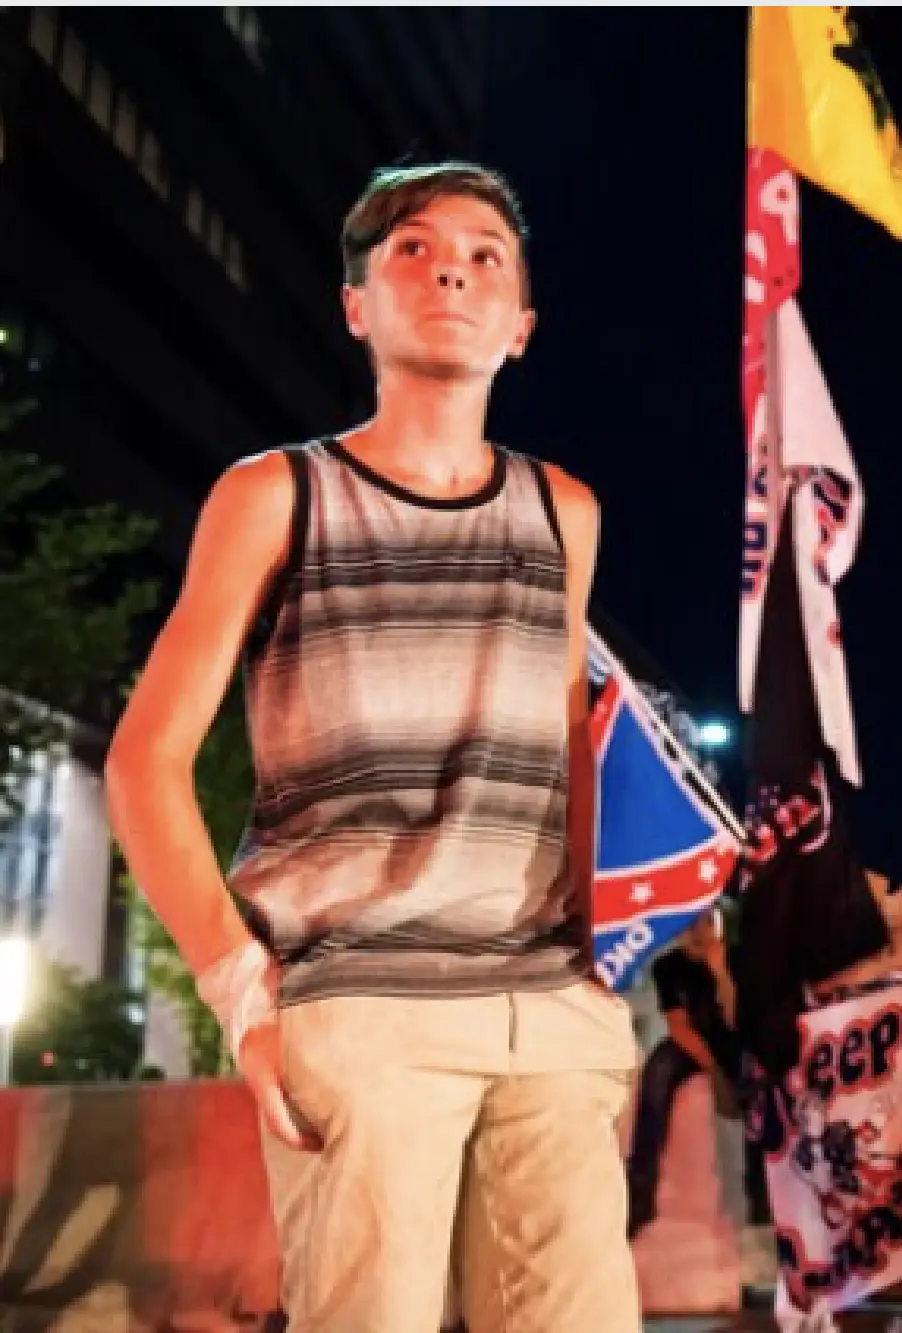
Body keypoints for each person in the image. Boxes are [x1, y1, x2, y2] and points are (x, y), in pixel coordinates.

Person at [105, 162, 642, 1333]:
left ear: (523, 325)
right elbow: (144, 762)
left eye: (486, 253)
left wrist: (609, 969)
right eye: (410, 245)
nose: (452, 262)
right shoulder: (275, 495)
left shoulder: (567, 513)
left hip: (544, 1003)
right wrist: (241, 991)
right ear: (355, 304)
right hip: (357, 996)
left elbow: (569, 752)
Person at [626, 907, 748, 1237]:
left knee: (752, 1072)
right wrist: (712, 1067)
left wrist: (720, 972)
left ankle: (752, 1193)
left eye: (704, 923)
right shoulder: (668, 967)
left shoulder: (738, 959)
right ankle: (640, 1192)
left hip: (734, 1036)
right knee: (657, 1071)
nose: (696, 932)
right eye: (688, 926)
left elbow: (739, 1018)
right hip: (693, 1042)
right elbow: (679, 1028)